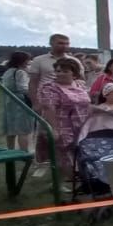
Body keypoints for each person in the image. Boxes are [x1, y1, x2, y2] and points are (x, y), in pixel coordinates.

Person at [38, 57, 92, 190]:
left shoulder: (80, 85)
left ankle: (61, 183)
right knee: (64, 156)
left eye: (64, 71)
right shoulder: (50, 88)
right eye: (57, 71)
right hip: (61, 124)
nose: (60, 73)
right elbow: (48, 108)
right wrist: (54, 129)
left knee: (80, 154)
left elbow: (87, 104)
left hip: (81, 124)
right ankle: (71, 183)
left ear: (74, 73)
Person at [0, 51, 37, 152]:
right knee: (23, 129)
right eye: (27, 60)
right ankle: (24, 152)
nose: (28, 62)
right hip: (21, 102)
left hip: (9, 101)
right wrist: (34, 94)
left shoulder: (8, 71)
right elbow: (23, 88)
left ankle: (10, 150)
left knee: (11, 129)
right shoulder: (20, 72)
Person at [27, 33, 73, 100]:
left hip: (70, 99)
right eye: (61, 43)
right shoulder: (39, 60)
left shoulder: (74, 61)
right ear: (51, 43)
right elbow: (33, 83)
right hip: (46, 98)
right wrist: (35, 102)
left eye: (67, 44)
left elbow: (80, 80)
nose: (65, 46)